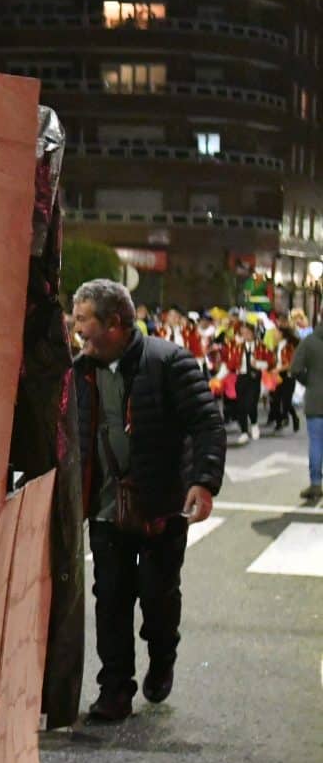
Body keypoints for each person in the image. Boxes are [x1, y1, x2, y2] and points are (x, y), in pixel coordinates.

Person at [71, 279, 225, 722]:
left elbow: (207, 425)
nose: (77, 329)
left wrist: (203, 482)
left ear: (115, 323)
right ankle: (115, 688)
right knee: (111, 597)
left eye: (84, 320)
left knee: (158, 598)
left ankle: (162, 657)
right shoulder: (80, 370)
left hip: (162, 503)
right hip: (105, 508)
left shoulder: (168, 362)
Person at [218, 319, 270, 445]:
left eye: (247, 333)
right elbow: (229, 365)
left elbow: (270, 363)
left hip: (254, 378)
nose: (245, 336)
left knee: (251, 404)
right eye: (243, 333)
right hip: (241, 378)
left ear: (253, 333)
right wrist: (218, 378)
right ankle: (244, 432)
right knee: (240, 406)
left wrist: (258, 364)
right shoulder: (237, 348)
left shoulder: (261, 347)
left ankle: (254, 424)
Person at [288, 324, 323, 501]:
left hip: (316, 400)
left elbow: (294, 369)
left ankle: (316, 484)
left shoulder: (309, 341)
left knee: (316, 443)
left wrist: (309, 381)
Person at [269, 326, 301, 435]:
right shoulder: (276, 346)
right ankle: (279, 422)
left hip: (288, 375)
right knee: (276, 398)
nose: (274, 335)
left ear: (282, 334)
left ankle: (293, 418)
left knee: (286, 400)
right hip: (277, 375)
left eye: (276, 333)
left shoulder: (289, 346)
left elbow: (290, 363)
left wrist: (278, 369)